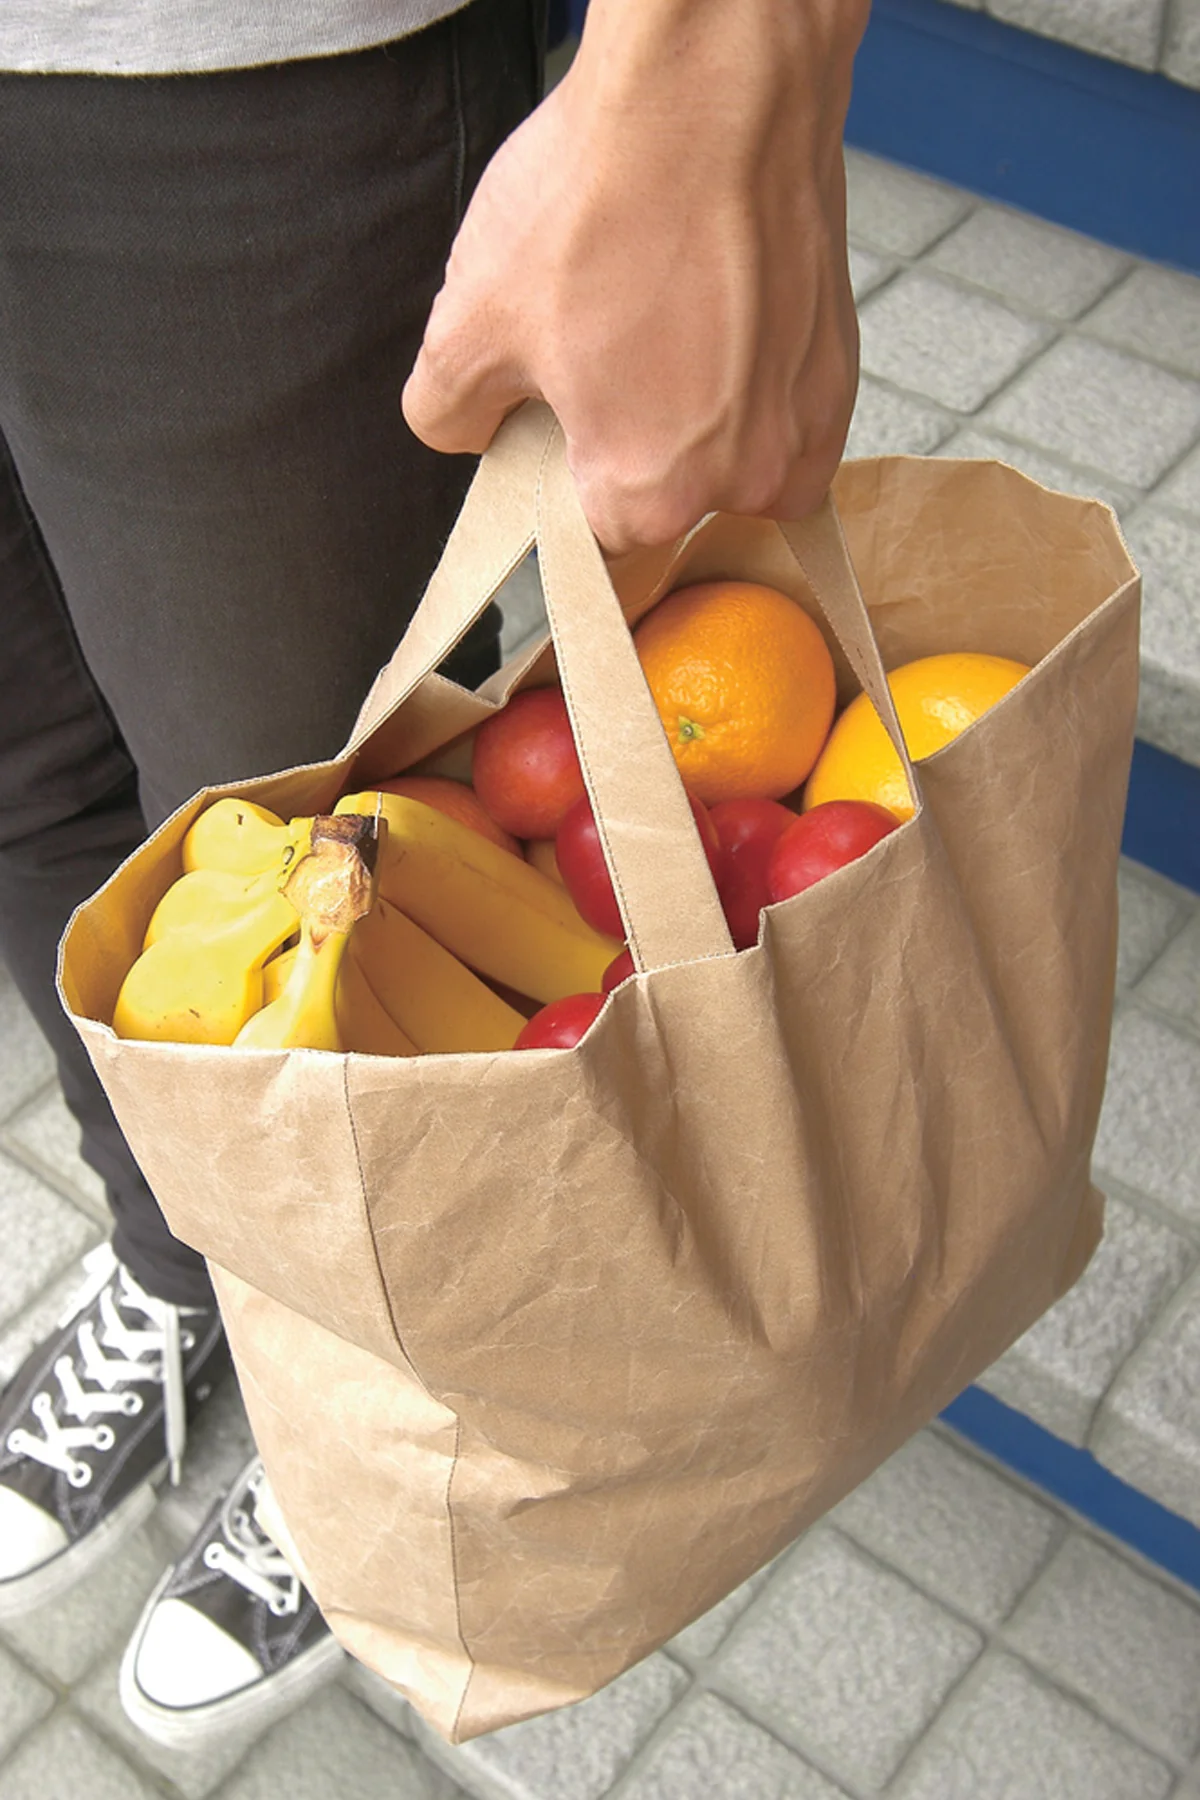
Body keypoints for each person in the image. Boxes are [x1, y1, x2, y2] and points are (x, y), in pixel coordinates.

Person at [0, 0, 867, 1745]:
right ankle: (184, 1263)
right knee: (26, 787)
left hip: (216, 76)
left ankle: (378, 1423)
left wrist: (718, 58)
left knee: (323, 836)